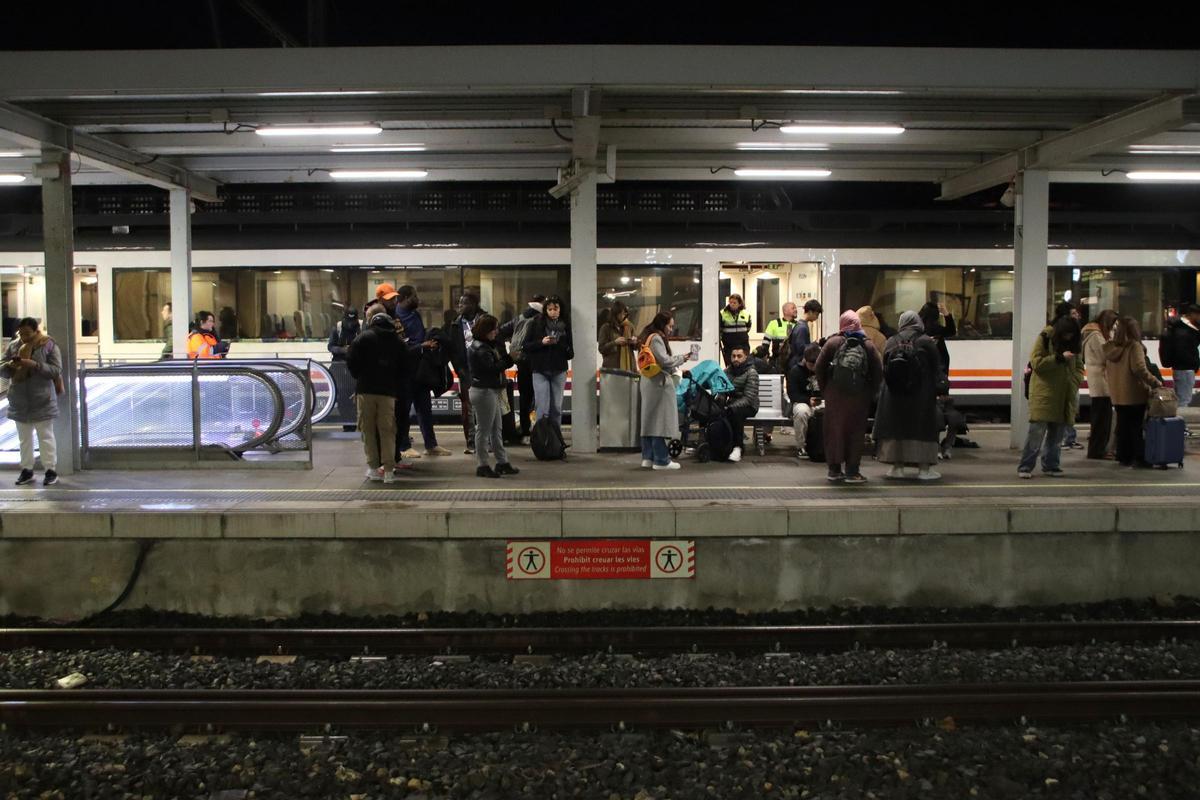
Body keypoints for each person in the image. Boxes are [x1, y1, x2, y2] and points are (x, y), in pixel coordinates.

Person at [873, 310, 943, 480]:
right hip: (921, 396)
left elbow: (885, 367)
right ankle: (924, 470)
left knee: (897, 429)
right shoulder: (926, 342)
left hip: (894, 396)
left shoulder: (891, 341)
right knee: (922, 429)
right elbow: (936, 369)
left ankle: (897, 467)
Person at [814, 310, 883, 484]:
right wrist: (870, 391)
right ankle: (852, 471)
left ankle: (834, 470)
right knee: (856, 432)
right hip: (859, 396)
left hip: (835, 395)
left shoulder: (833, 342)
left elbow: (819, 366)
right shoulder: (867, 344)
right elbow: (878, 369)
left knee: (834, 431)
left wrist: (826, 389)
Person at [1017, 316, 1084, 479]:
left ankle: (1051, 465)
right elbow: (1036, 363)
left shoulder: (1075, 345)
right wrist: (1059, 358)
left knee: (1057, 434)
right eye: (1066, 334)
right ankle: (1026, 466)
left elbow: (1079, 367)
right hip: (1044, 393)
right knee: (1036, 432)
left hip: (1065, 394)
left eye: (1072, 335)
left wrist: (1074, 382)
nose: (1069, 338)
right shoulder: (1045, 337)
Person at [346, 306, 405, 484]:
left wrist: (360, 376)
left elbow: (351, 361)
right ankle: (389, 470)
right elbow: (406, 366)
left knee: (368, 430)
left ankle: (372, 468)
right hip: (388, 393)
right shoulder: (397, 341)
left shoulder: (362, 338)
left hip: (365, 390)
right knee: (387, 431)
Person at [2, 318, 62, 487]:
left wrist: (35, 365)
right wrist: (9, 366)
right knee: (24, 439)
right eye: (21, 333)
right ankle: (27, 470)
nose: (24, 337)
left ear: (36, 331)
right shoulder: (14, 346)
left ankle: (50, 470)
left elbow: (56, 370)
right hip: (19, 400)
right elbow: (2, 366)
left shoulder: (48, 345)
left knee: (46, 437)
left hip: (42, 400)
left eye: (27, 333)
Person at [392, 285, 450, 460]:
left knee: (425, 409)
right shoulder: (396, 318)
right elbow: (400, 347)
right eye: (414, 296)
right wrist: (421, 346)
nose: (417, 299)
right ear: (405, 297)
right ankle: (404, 446)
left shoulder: (415, 315)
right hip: (405, 371)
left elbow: (417, 336)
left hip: (421, 370)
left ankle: (431, 444)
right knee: (404, 411)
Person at [638, 309, 695, 470]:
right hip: (658, 384)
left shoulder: (647, 337)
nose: (671, 329)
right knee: (659, 421)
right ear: (662, 325)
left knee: (649, 420)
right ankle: (661, 460)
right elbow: (664, 361)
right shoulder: (656, 338)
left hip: (649, 382)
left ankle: (647, 457)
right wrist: (681, 359)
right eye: (670, 326)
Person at [467, 314, 520, 479]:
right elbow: (491, 369)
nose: (497, 332)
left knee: (496, 428)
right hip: (484, 391)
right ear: (486, 331)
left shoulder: (483, 345)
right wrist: (510, 359)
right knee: (483, 430)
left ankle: (502, 462)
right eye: (494, 329)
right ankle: (482, 464)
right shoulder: (481, 349)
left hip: (489, 391)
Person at [1105, 316, 1163, 468]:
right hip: (1134, 393)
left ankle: (1123, 456)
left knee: (1123, 426)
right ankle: (1139, 457)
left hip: (1117, 394)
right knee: (1136, 427)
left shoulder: (1111, 348)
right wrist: (1155, 382)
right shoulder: (1134, 346)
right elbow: (1139, 369)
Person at [523, 295, 573, 429]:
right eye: (550, 309)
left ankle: (556, 439)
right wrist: (542, 342)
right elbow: (526, 346)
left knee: (556, 407)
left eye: (556, 309)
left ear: (561, 309)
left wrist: (560, 344)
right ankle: (542, 437)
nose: (553, 312)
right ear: (545, 310)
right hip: (539, 370)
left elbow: (570, 353)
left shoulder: (565, 326)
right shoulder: (536, 323)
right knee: (542, 407)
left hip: (559, 370)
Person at [500, 293, 544, 441]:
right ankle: (539, 430)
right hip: (537, 362)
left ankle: (525, 431)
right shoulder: (541, 318)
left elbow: (501, 330)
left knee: (525, 397)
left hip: (522, 362)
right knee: (540, 397)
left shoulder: (520, 317)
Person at [449, 292, 486, 453]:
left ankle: (486, 441)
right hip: (466, 370)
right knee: (469, 409)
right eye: (459, 303)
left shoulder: (484, 320)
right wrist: (460, 370)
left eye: (463, 303)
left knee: (486, 407)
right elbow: (454, 351)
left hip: (484, 369)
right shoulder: (455, 325)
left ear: (473, 304)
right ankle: (471, 442)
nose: (460, 306)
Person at [1081, 308, 1119, 459]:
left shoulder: (1093, 333)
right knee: (1102, 419)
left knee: (1102, 417)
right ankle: (1097, 450)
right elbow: (1105, 355)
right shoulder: (1096, 335)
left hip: (1099, 378)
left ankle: (1098, 449)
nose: (1114, 327)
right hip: (1100, 380)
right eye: (1113, 324)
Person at [1160, 302, 1200, 417]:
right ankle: (1182, 427)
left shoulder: (1180, 328)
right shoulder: (1184, 332)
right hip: (1185, 370)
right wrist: (1194, 363)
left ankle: (1179, 427)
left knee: (1181, 399)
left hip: (1181, 369)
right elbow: (1184, 352)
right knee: (1184, 401)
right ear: (1193, 315)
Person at [721, 344, 760, 462]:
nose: (736, 359)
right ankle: (721, 445)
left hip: (750, 406)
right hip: (732, 404)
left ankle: (738, 448)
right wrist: (720, 402)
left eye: (739, 356)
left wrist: (730, 406)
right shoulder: (727, 371)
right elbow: (722, 390)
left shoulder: (751, 372)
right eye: (733, 356)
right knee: (715, 410)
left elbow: (748, 398)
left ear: (745, 357)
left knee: (735, 413)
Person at [788, 343, 822, 459]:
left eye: (815, 364)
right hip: (802, 401)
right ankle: (801, 446)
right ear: (805, 360)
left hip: (821, 401)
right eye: (811, 364)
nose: (813, 367)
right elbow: (792, 394)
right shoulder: (795, 371)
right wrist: (808, 400)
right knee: (801, 412)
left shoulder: (824, 369)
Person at [784, 299, 824, 372]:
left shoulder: (799, 324)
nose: (817, 317)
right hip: (797, 365)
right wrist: (815, 344)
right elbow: (801, 348)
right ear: (810, 312)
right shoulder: (802, 328)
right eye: (816, 314)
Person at [918, 300, 956, 375]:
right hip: (939, 369)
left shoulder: (917, 329)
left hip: (922, 369)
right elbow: (951, 331)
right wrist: (946, 314)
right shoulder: (936, 329)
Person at [598, 300, 637, 371]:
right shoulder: (606, 327)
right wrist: (615, 342)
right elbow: (601, 348)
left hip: (630, 367)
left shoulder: (629, 326)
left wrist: (634, 342)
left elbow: (636, 347)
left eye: (625, 313)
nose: (624, 316)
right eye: (621, 314)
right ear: (615, 314)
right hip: (612, 369)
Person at [718, 293, 751, 365]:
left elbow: (748, 327)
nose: (732, 304)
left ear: (739, 303)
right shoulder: (722, 313)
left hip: (743, 345)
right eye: (730, 302)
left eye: (734, 302)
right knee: (730, 366)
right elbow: (720, 329)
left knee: (745, 365)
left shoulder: (746, 313)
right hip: (729, 345)